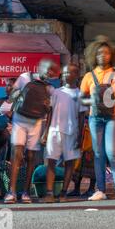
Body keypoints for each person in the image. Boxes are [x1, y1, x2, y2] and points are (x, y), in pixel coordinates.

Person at [80, 36, 115, 201]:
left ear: (112, 55)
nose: (103, 56)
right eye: (99, 53)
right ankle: (100, 189)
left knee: (113, 153)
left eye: (107, 53)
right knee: (98, 153)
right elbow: (81, 98)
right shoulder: (89, 76)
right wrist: (93, 102)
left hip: (114, 117)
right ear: (94, 55)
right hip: (95, 118)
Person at [4, 58, 58, 204]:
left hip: (36, 123)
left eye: (52, 70)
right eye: (47, 68)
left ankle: (26, 192)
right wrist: (17, 96)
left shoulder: (49, 89)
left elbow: (51, 111)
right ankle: (12, 192)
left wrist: (46, 132)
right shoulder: (25, 77)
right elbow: (12, 96)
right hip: (19, 121)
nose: (48, 72)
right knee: (17, 154)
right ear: (39, 67)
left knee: (31, 157)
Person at [42, 64, 86, 203]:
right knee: (51, 162)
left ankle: (63, 193)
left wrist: (80, 136)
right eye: (65, 72)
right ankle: (49, 193)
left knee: (70, 164)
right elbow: (49, 113)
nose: (67, 75)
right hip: (54, 131)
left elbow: (81, 117)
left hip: (72, 133)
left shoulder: (80, 94)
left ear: (77, 75)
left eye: (71, 72)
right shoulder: (56, 92)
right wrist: (45, 132)